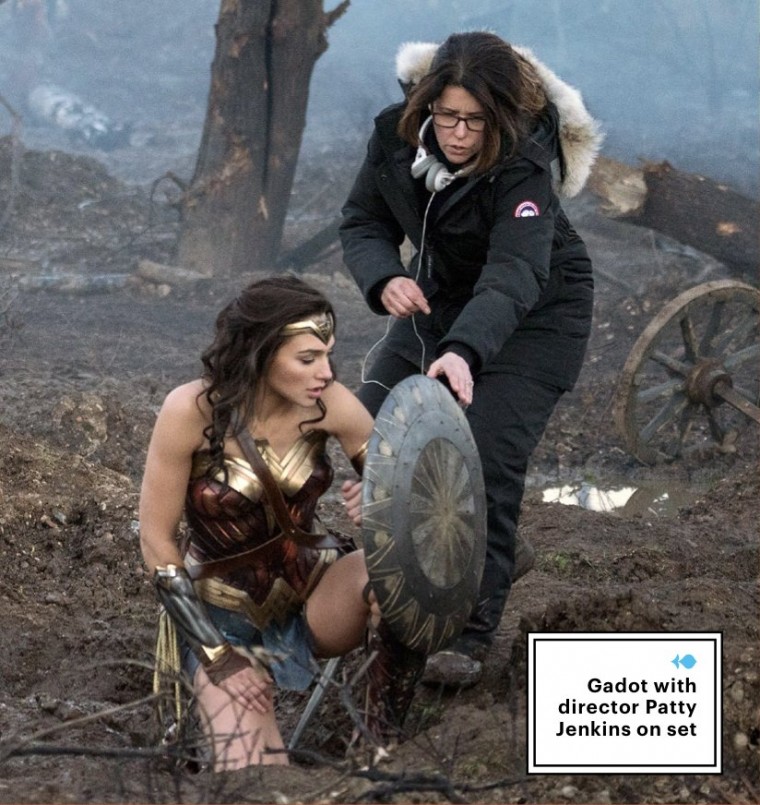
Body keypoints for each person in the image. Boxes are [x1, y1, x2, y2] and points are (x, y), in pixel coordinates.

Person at [339, 32, 603, 688]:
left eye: (474, 121)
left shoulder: (524, 164)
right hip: (438, 300)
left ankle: (469, 632)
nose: (458, 134)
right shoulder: (395, 136)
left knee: (479, 454)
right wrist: (384, 277)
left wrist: (462, 353)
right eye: (447, 116)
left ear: (500, 118)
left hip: (537, 314)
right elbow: (363, 220)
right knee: (363, 427)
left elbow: (514, 271)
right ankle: (495, 546)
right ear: (425, 104)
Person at [139, 276, 426, 770]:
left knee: (396, 576)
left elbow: (405, 494)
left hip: (315, 594)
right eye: (308, 358)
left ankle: (379, 744)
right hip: (223, 621)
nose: (325, 373)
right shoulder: (189, 411)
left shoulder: (329, 403)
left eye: (328, 356)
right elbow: (155, 540)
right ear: (261, 353)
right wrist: (217, 656)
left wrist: (382, 506)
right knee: (260, 781)